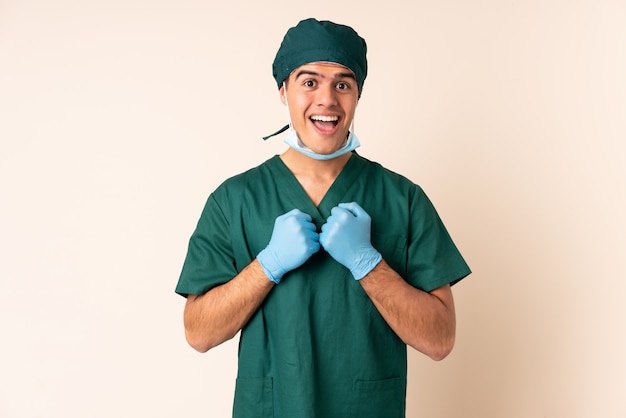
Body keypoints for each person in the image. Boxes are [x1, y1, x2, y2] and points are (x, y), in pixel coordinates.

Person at [176, 17, 471, 418]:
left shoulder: (403, 199)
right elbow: (198, 332)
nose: (327, 100)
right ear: (284, 91)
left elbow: (440, 340)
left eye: (342, 85)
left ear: (357, 95)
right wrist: (268, 264)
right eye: (309, 82)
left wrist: (368, 263)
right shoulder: (235, 200)